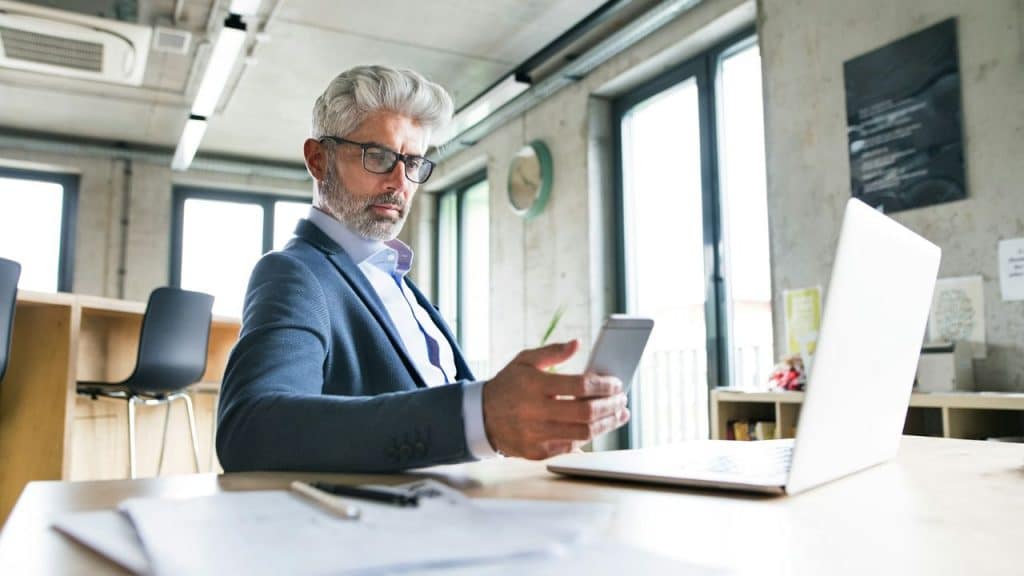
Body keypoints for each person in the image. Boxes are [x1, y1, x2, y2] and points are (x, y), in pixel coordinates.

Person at [216, 65, 629, 472]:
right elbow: (252, 429)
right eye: (378, 156)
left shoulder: (397, 281)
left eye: (413, 162)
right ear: (319, 160)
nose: (400, 181)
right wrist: (480, 416)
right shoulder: (295, 274)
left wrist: (520, 436)